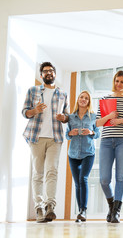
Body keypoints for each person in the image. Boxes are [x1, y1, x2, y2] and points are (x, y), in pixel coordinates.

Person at [22, 62, 69, 223]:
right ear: (41, 76)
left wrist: (64, 118)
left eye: (51, 71)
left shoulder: (62, 93)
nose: (48, 73)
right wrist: (35, 110)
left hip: (55, 138)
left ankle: (50, 206)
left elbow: (67, 115)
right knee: (38, 173)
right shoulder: (33, 90)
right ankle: (39, 208)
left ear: (55, 74)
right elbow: (25, 112)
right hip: (36, 137)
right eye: (45, 71)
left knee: (52, 171)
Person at [96, 70, 123, 223]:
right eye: (117, 81)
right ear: (114, 81)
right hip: (106, 141)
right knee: (104, 179)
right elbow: (98, 123)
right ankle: (111, 206)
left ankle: (116, 212)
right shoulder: (104, 99)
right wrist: (109, 116)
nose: (119, 84)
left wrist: (122, 121)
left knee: (120, 176)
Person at [65, 91, 100, 222]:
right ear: (78, 99)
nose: (83, 99)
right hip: (73, 153)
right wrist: (71, 133)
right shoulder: (71, 117)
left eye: (86, 98)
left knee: (83, 179)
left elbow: (97, 134)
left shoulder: (93, 117)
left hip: (88, 153)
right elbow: (66, 135)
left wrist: (91, 132)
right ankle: (81, 212)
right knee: (77, 183)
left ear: (89, 101)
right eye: (81, 97)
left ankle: (83, 210)